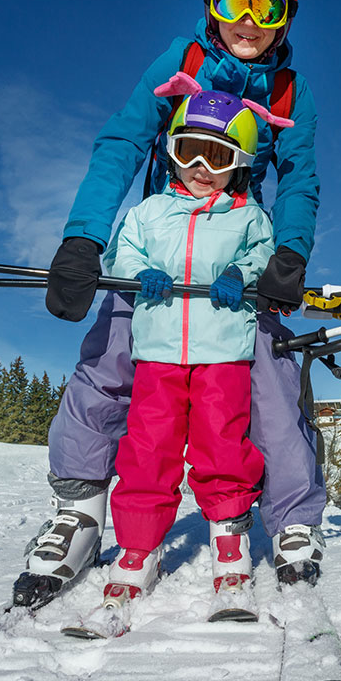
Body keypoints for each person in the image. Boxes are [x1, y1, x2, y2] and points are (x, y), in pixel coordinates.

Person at [15, 0, 325, 609]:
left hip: (235, 261)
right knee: (107, 362)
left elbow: (299, 175)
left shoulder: (289, 88)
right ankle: (80, 511)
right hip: (157, 257)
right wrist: (84, 241)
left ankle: (292, 518)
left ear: (285, 18)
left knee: (268, 378)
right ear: (209, 8)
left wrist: (287, 255)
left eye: (265, 6)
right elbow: (125, 139)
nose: (247, 19)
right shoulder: (180, 61)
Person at [101, 90, 274, 607]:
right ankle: (138, 546)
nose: (201, 167)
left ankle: (228, 536)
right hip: (158, 352)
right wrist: (139, 275)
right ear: (173, 152)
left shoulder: (248, 217)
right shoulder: (150, 211)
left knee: (221, 443)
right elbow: (122, 252)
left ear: (237, 163)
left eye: (217, 156)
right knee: (148, 447)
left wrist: (241, 274)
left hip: (222, 351)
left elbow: (264, 254)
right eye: (189, 151)